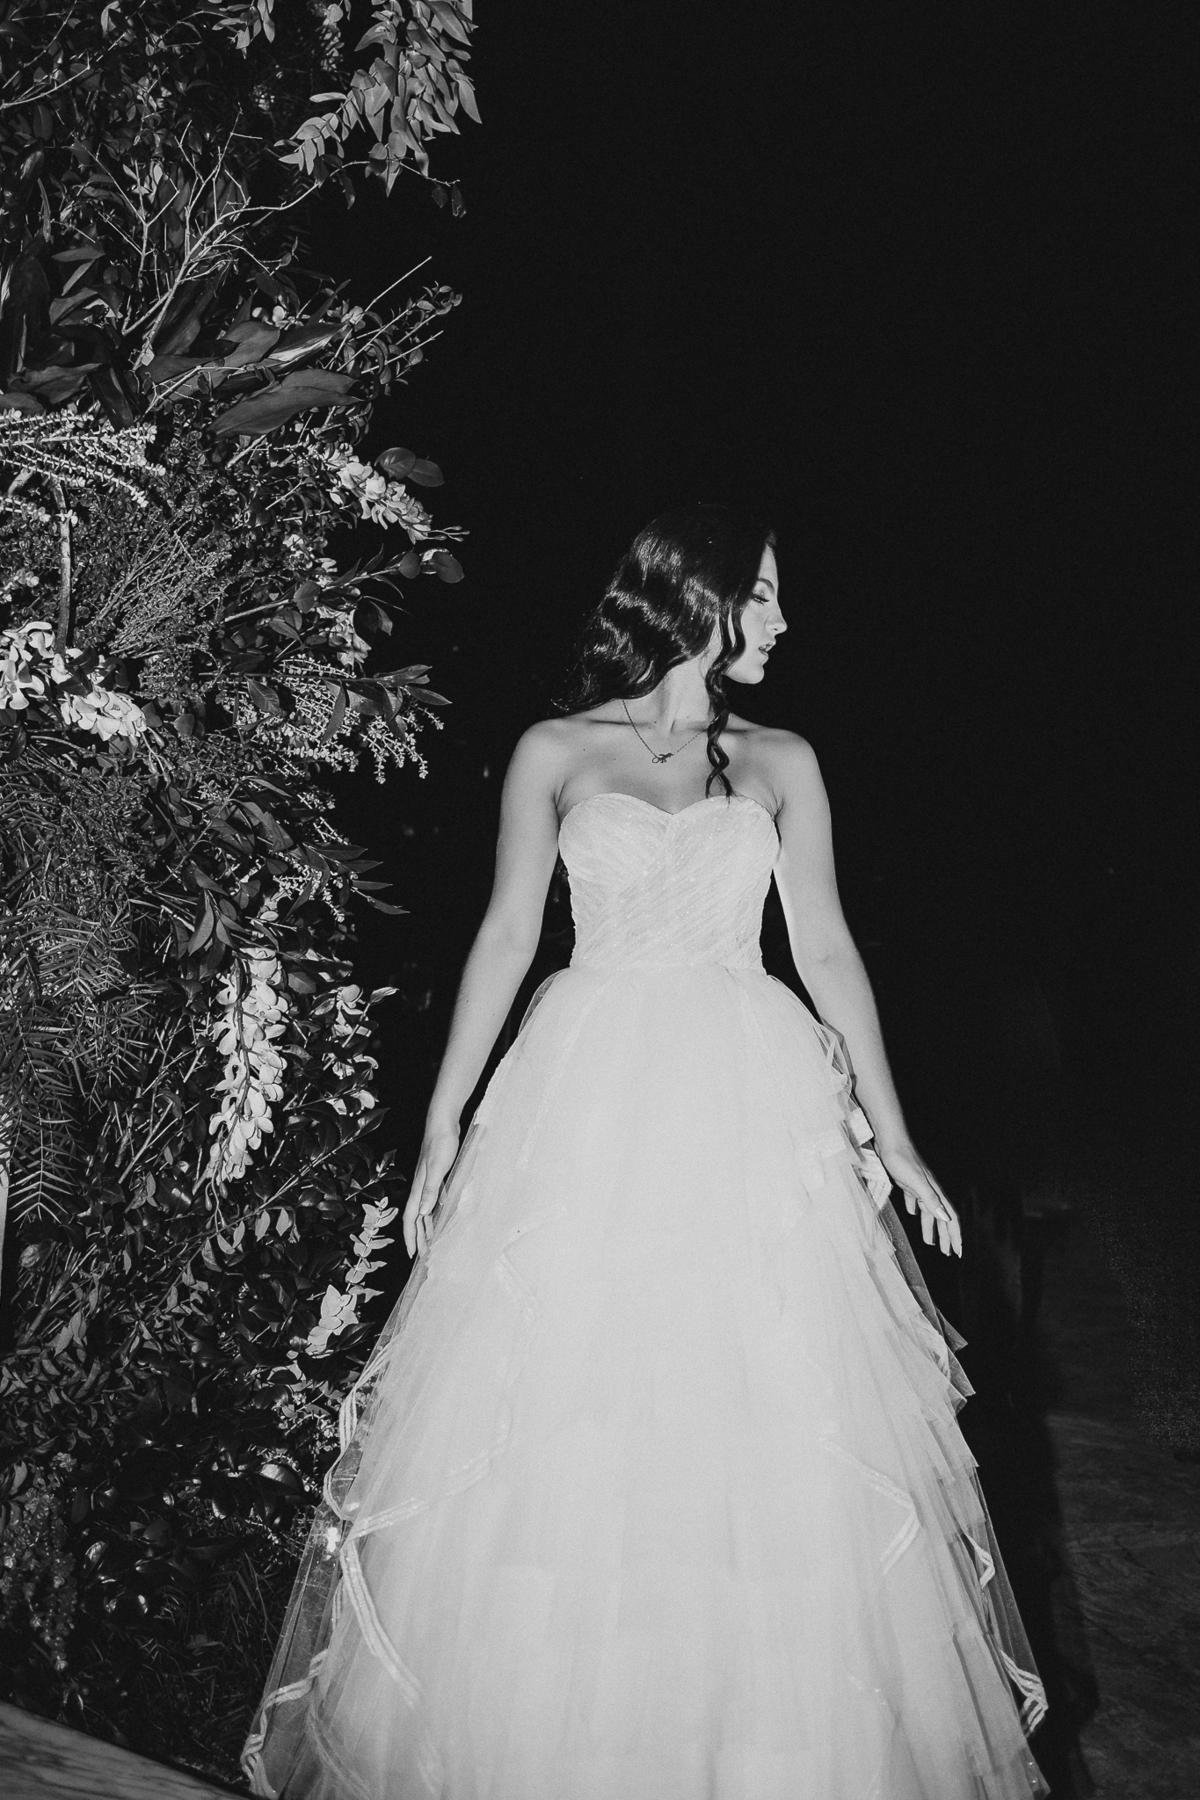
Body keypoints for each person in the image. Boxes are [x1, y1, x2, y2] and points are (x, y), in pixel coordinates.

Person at [243, 505, 1048, 1799]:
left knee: (756, 1398)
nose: (782, 620)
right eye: (762, 595)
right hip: (587, 1095)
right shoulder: (555, 750)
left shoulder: (781, 760)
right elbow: (509, 934)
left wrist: (896, 1140)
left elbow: (824, 946)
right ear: (693, 595)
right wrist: (444, 1119)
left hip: (749, 1094)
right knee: (576, 1403)